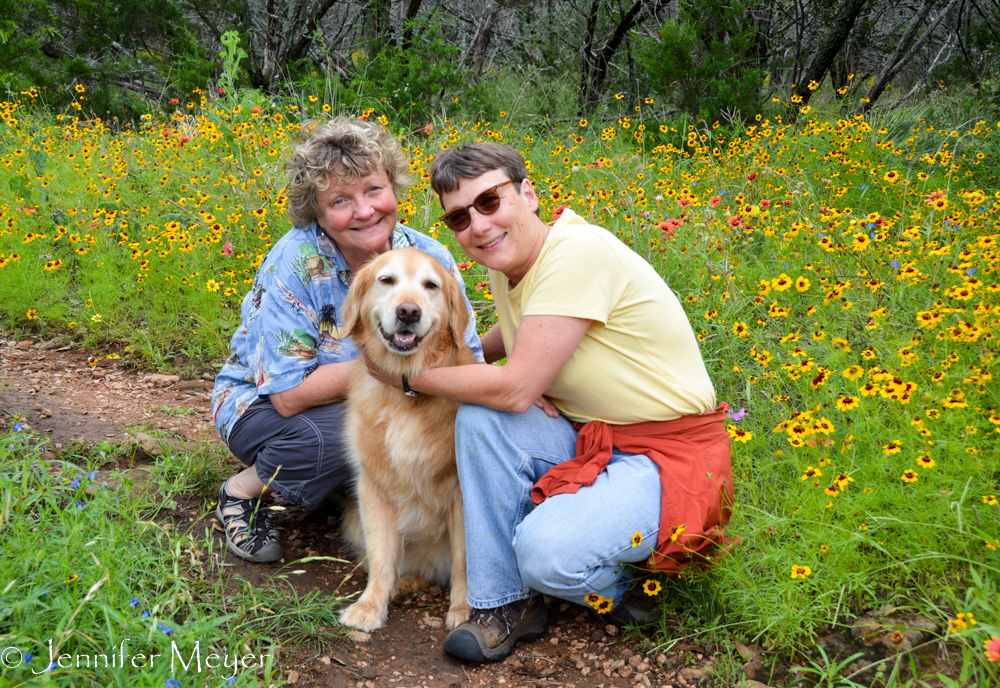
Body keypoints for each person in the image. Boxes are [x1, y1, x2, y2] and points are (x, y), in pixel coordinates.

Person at [362, 142, 733, 663]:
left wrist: (409, 378)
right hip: (589, 438)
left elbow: (515, 388)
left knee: (547, 553)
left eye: (489, 201)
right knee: (480, 416)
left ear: (528, 194)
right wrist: (459, 350)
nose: (479, 225)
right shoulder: (508, 261)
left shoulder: (578, 253)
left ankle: (627, 585)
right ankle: (504, 602)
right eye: (460, 217)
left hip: (663, 458)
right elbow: (520, 332)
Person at [210, 116, 483, 564]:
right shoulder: (294, 264)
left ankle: (351, 491)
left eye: (374, 190)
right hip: (265, 407)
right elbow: (288, 396)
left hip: (392, 396)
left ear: (394, 189)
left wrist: (509, 392)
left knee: (450, 423)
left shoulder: (429, 256)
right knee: (347, 431)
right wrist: (386, 369)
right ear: (316, 212)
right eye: (340, 200)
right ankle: (242, 491)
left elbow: (463, 351)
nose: (364, 210)